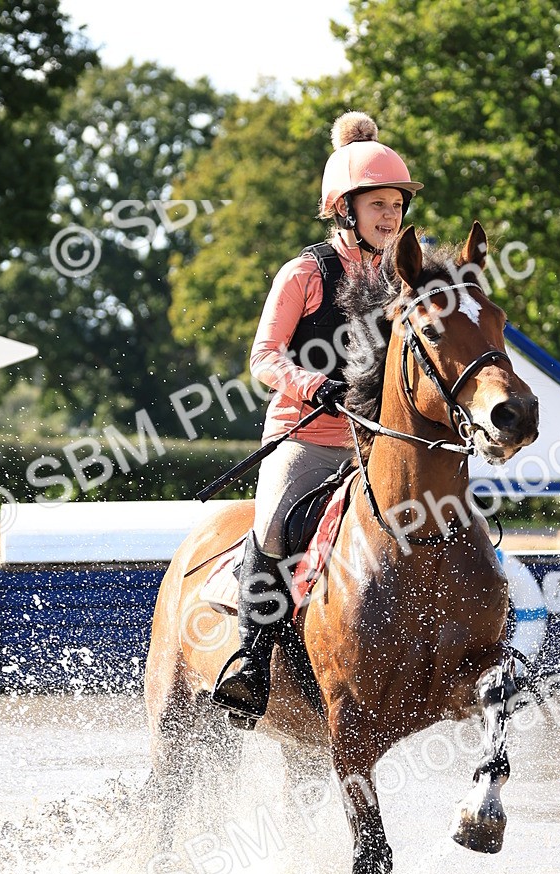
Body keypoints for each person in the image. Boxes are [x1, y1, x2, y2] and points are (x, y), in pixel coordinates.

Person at [211, 111, 423, 722]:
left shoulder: (400, 278)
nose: (391, 216)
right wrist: (313, 385)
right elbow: (263, 357)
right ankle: (251, 660)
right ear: (344, 210)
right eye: (378, 204)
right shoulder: (304, 273)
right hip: (302, 437)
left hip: (373, 442)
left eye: (396, 205)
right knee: (277, 525)